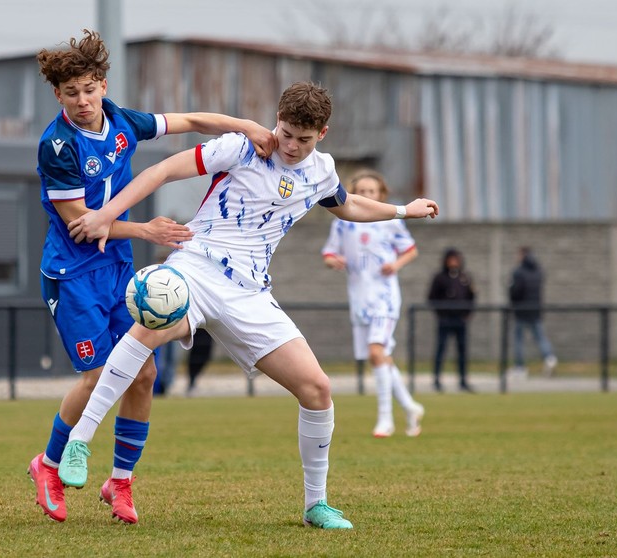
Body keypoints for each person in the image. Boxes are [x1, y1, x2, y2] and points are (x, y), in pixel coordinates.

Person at [59, 82, 440, 529]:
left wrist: (402, 210)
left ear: (323, 133)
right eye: (286, 133)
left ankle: (316, 504)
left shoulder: (322, 171)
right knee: (149, 324)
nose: (292, 146)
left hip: (250, 293)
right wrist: (108, 215)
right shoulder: (241, 148)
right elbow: (162, 171)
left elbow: (346, 203)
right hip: (197, 267)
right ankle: (80, 441)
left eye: (304, 138)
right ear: (276, 120)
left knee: (317, 390)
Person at [27, 29, 278, 525]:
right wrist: (145, 228)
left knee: (143, 372)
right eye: (70, 92)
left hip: (117, 266)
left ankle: (120, 483)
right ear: (57, 95)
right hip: (73, 272)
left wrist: (246, 125)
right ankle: (49, 464)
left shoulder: (121, 121)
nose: (82, 100)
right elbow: (84, 224)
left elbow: (188, 120)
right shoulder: (57, 146)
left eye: (89, 88)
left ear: (102, 84)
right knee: (100, 374)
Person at [321, 169, 424, 437]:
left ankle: (385, 419)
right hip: (359, 298)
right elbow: (329, 253)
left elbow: (410, 250)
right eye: (362, 191)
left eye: (372, 191)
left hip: (384, 297)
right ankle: (411, 407)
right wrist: (335, 261)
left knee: (377, 353)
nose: (367, 195)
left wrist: (395, 264)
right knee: (378, 358)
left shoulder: (390, 220)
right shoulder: (343, 222)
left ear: (381, 195)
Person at [427, 248, 476, 393]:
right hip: (445, 320)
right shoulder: (440, 278)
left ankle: (463, 381)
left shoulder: (465, 277)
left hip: (460, 320)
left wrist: (467, 313)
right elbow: (432, 297)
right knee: (441, 349)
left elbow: (471, 297)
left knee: (462, 351)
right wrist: (441, 313)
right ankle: (437, 380)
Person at [509, 246, 557, 377]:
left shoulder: (519, 272)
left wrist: (512, 295)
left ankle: (519, 367)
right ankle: (549, 358)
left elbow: (516, 291)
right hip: (536, 310)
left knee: (519, 339)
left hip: (521, 310)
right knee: (540, 337)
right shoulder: (538, 271)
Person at [185, 328, 214, 397]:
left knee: (205, 353)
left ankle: (193, 380)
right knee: (196, 353)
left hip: (208, 327)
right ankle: (192, 380)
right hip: (197, 327)